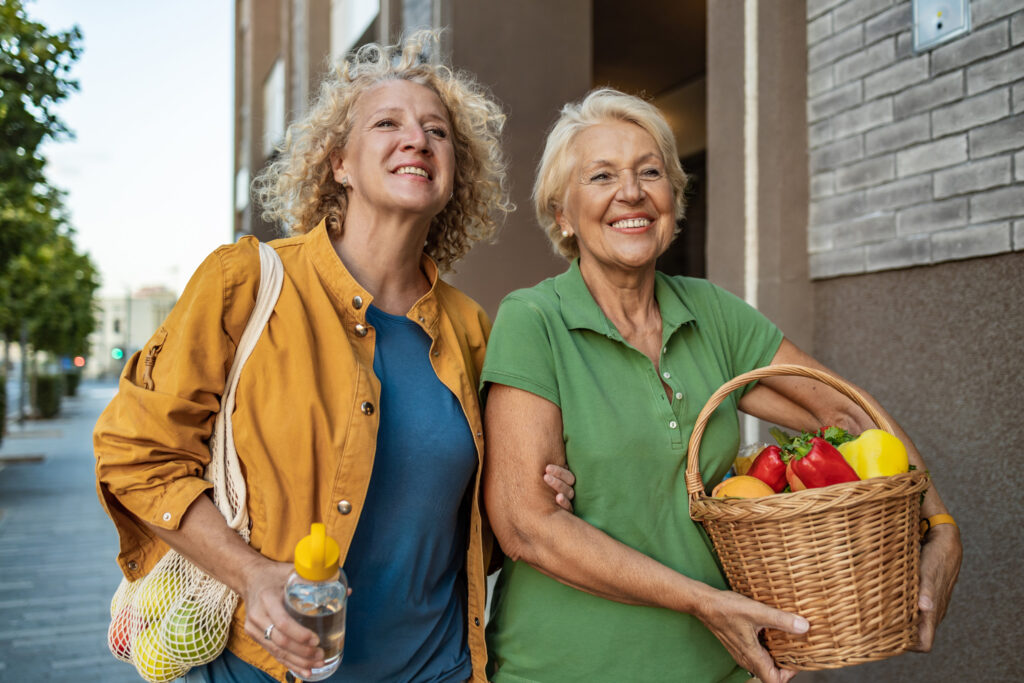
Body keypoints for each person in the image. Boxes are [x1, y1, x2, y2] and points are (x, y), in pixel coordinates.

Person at [94, 32, 573, 683]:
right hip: (263, 668)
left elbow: (472, 523)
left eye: (438, 131)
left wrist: (536, 489)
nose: (418, 139)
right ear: (338, 163)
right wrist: (251, 574)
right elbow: (135, 451)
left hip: (440, 669)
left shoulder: (469, 328)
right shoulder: (245, 282)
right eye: (387, 123)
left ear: (455, 175)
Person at [480, 88, 962, 683]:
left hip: (722, 666)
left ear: (672, 199)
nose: (631, 192)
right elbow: (528, 526)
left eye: (649, 172)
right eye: (601, 175)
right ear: (561, 213)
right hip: (566, 668)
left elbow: (849, 413)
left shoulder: (712, 311)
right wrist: (702, 601)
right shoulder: (533, 320)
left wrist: (940, 527)